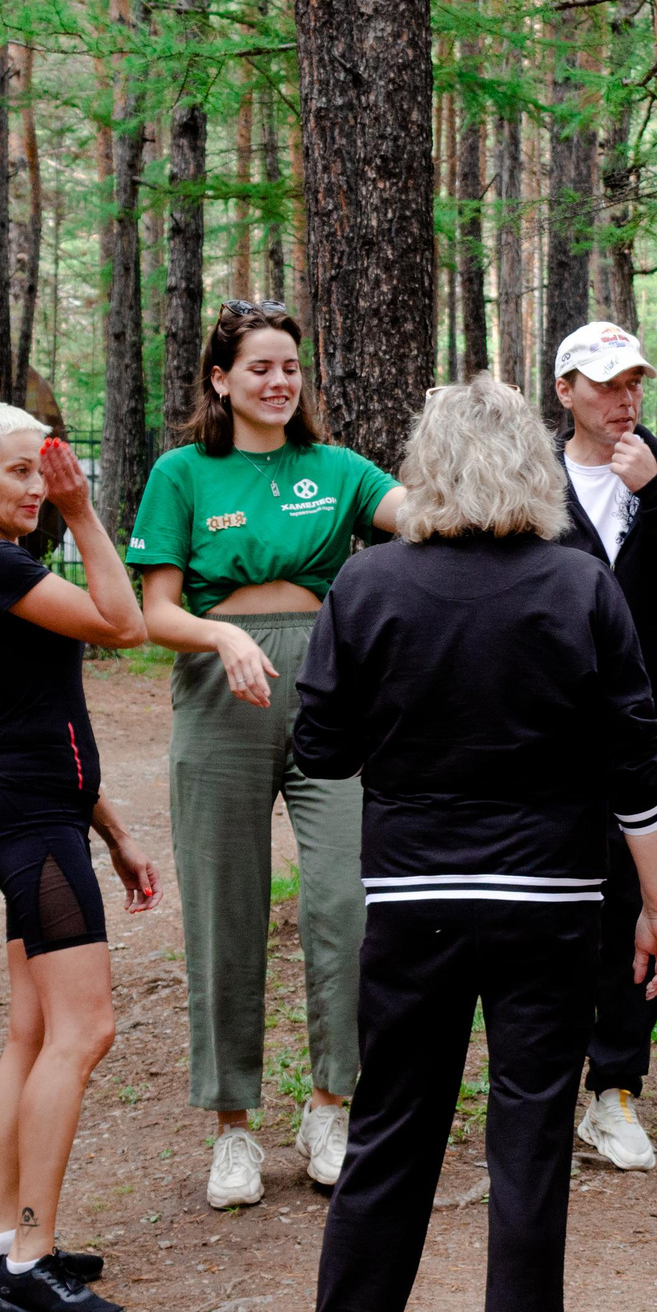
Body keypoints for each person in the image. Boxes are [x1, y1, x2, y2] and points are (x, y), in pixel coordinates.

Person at [275, 375, 657, 1312]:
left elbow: (321, 750)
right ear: (531, 466)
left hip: (413, 897)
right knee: (530, 1145)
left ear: (428, 464)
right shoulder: (577, 583)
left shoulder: (368, 583)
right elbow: (637, 763)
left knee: (391, 1132)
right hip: (550, 902)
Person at [130, 300, 405, 1209]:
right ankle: (232, 1127)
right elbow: (155, 611)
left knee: (346, 902)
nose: (279, 381)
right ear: (221, 379)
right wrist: (220, 636)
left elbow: (414, 513)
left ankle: (330, 1106)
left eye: (290, 366)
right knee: (226, 912)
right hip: (222, 695)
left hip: (329, 691)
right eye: (260, 367)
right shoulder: (181, 473)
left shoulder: (336, 469)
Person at [0, 401, 161, 1312]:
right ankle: (31, 1260)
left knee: (31, 1033)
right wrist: (82, 510)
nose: (38, 486)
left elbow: (45, 722)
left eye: (47, 470)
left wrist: (111, 829)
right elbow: (124, 623)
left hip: (35, 814)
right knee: (84, 1029)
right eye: (21, 471)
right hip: (32, 826)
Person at [549, 321, 657, 1172]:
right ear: (566, 392)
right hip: (544, 731)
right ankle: (545, 1080)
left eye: (633, 384)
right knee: (553, 911)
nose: (624, 400)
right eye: (606, 384)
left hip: (649, 724)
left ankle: (615, 1087)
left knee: (638, 905)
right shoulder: (532, 476)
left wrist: (654, 492)